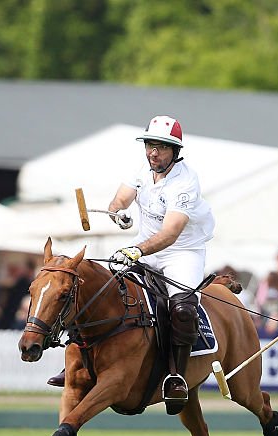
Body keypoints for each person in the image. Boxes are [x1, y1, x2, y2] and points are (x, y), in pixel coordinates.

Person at [51, 115, 215, 416]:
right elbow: (121, 198)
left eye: (162, 148)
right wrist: (117, 212)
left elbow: (171, 233)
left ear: (175, 152)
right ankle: (77, 366)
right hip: (145, 247)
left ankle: (176, 378)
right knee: (101, 292)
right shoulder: (144, 169)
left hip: (182, 252)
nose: (154, 152)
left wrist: (136, 250)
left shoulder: (186, 183)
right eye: (151, 145)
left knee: (182, 308)